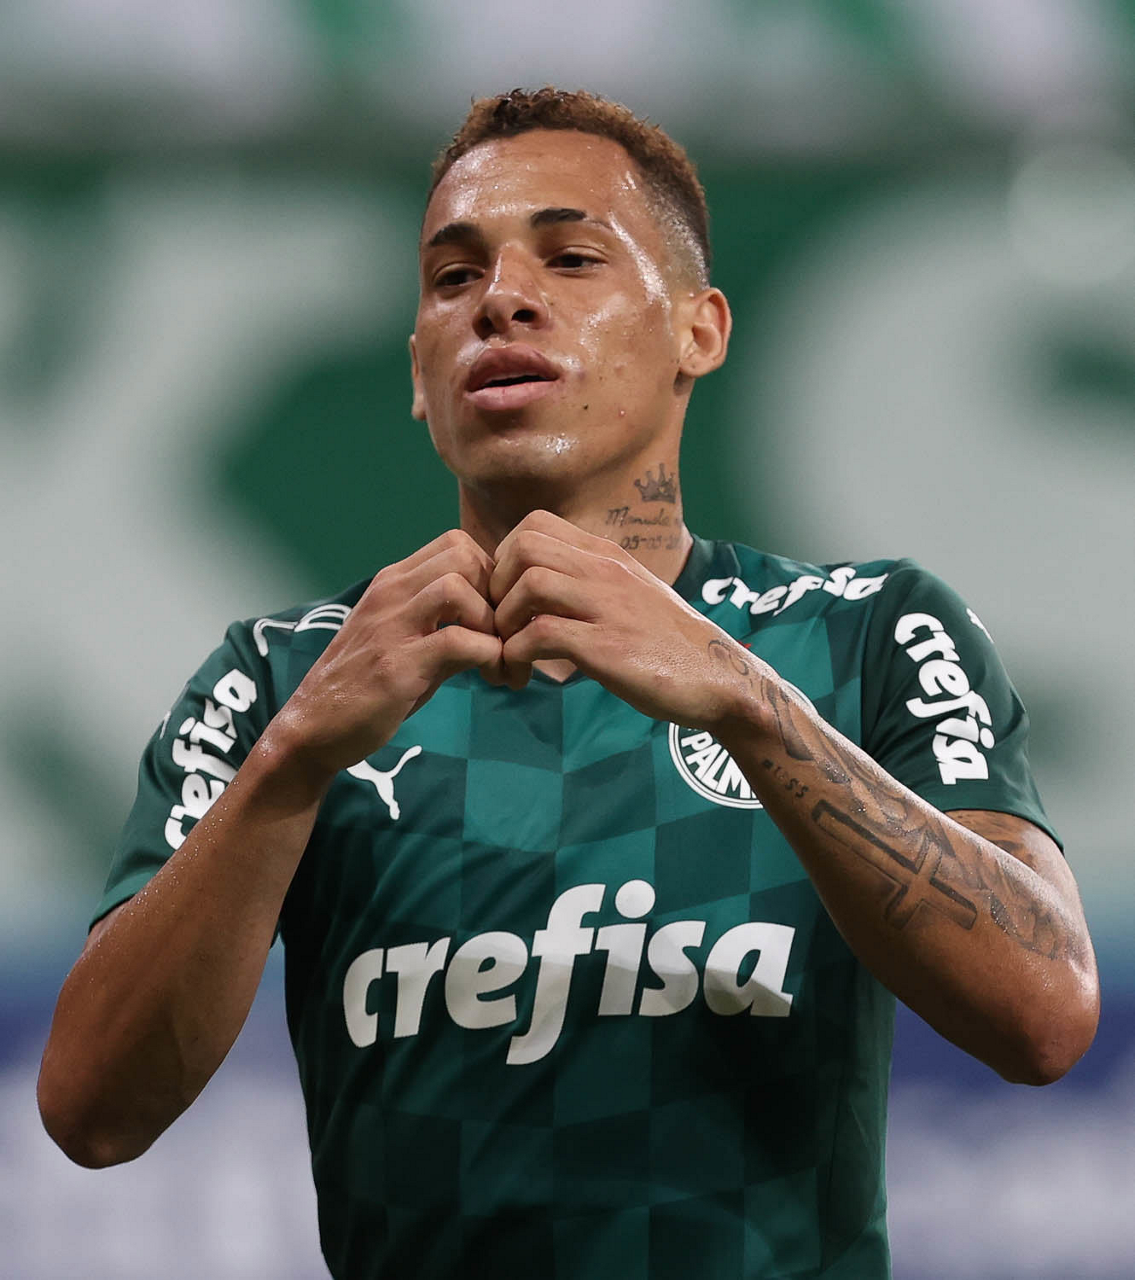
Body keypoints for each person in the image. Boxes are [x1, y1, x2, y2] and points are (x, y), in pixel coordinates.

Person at [38, 88, 1099, 1279]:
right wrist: (292, 761)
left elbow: (1043, 1011)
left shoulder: (862, 634)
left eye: (572, 257)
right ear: (418, 371)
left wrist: (744, 699)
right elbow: (91, 1110)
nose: (500, 298)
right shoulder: (281, 680)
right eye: (452, 277)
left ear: (699, 329)